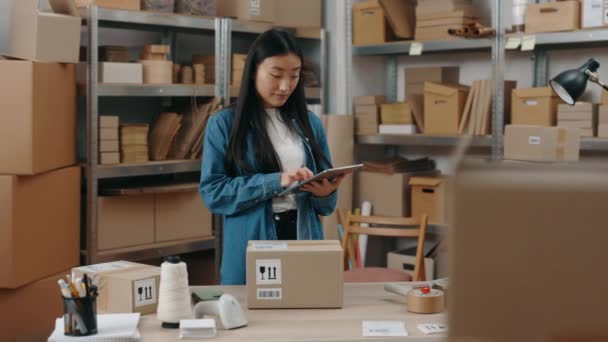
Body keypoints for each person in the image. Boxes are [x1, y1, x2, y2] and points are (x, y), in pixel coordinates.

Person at [199, 29, 344, 285]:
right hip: (251, 243)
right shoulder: (224, 124)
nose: (285, 86)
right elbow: (214, 193)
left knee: (305, 316)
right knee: (253, 320)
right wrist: (276, 181)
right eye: (276, 75)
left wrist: (325, 193)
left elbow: (326, 208)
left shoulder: (310, 123)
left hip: (303, 239)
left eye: (294, 76)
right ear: (254, 70)